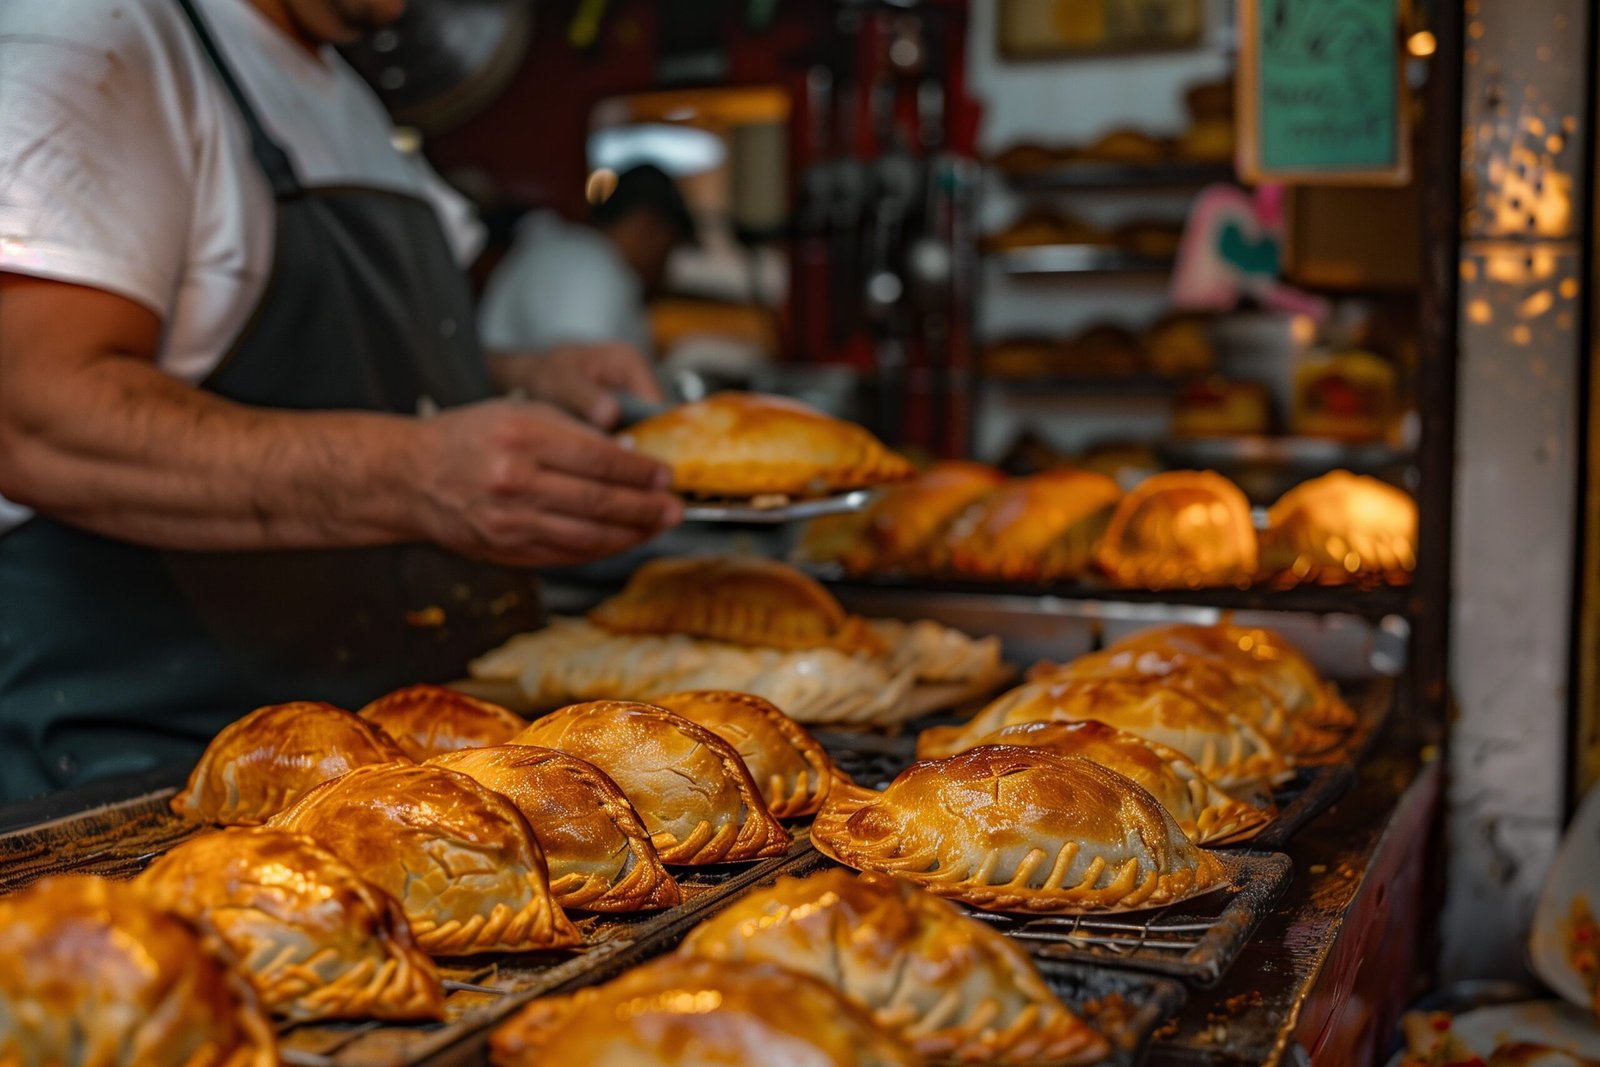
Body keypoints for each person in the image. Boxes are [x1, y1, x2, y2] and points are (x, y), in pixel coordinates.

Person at [0, 0, 683, 802]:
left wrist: (528, 374)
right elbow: (37, 415)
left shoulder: (347, 97)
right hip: (162, 771)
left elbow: (358, 360)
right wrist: (412, 474)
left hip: (386, 759)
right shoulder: (101, 35)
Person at [478, 164, 696, 361]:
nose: (667, 267)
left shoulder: (576, 254)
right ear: (645, 228)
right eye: (669, 248)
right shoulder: (588, 270)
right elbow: (584, 376)